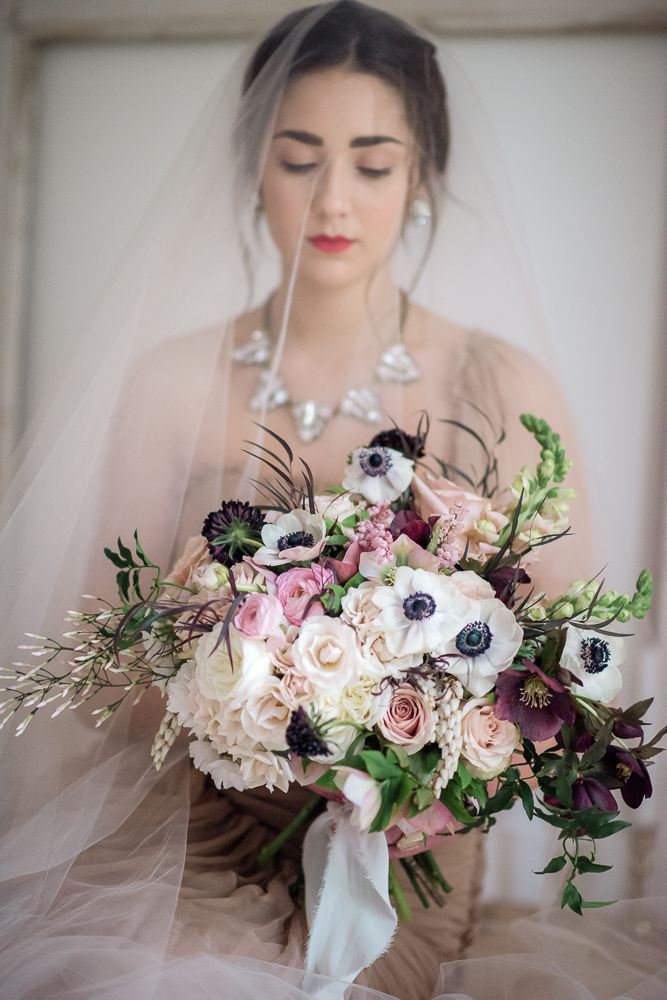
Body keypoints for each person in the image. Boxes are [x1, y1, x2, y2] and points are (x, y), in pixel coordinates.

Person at [2, 4, 663, 1000]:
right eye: (298, 158)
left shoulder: (499, 381)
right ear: (250, 166)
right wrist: (264, 715)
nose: (333, 200)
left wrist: (416, 758)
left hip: (411, 848)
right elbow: (108, 657)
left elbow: (580, 662)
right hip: (197, 831)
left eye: (372, 161)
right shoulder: (173, 383)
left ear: (422, 175)